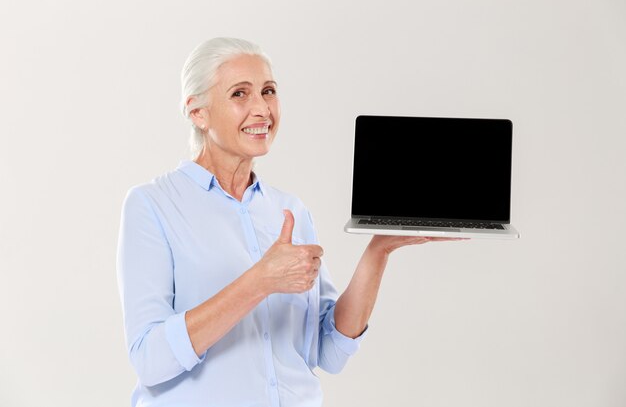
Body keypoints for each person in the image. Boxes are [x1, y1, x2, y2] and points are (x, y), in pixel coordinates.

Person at [116, 37, 461, 407]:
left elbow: (328, 351)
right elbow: (149, 359)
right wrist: (260, 281)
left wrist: (380, 250)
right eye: (240, 94)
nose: (262, 109)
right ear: (197, 111)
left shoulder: (288, 210)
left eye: (268, 91)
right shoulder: (153, 205)